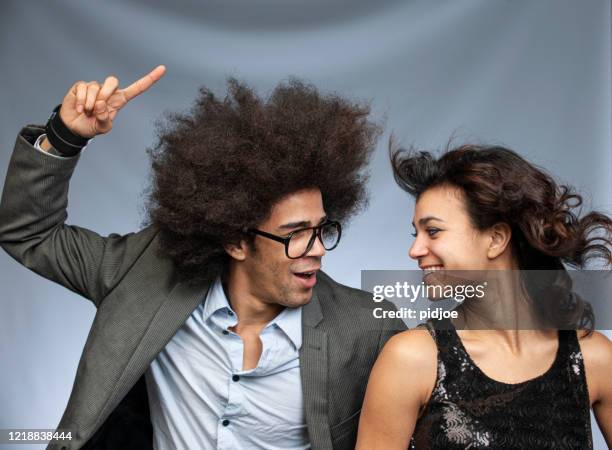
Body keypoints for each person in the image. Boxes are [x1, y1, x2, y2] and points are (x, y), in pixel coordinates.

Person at [0, 66, 406, 450]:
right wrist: (64, 137)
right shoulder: (143, 276)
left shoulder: (366, 327)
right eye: (295, 235)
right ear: (234, 240)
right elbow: (28, 232)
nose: (316, 249)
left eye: (322, 230)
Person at [356, 145, 612, 449]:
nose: (415, 250)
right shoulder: (412, 359)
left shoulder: (591, 358)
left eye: (433, 231)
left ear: (496, 239)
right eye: (417, 234)